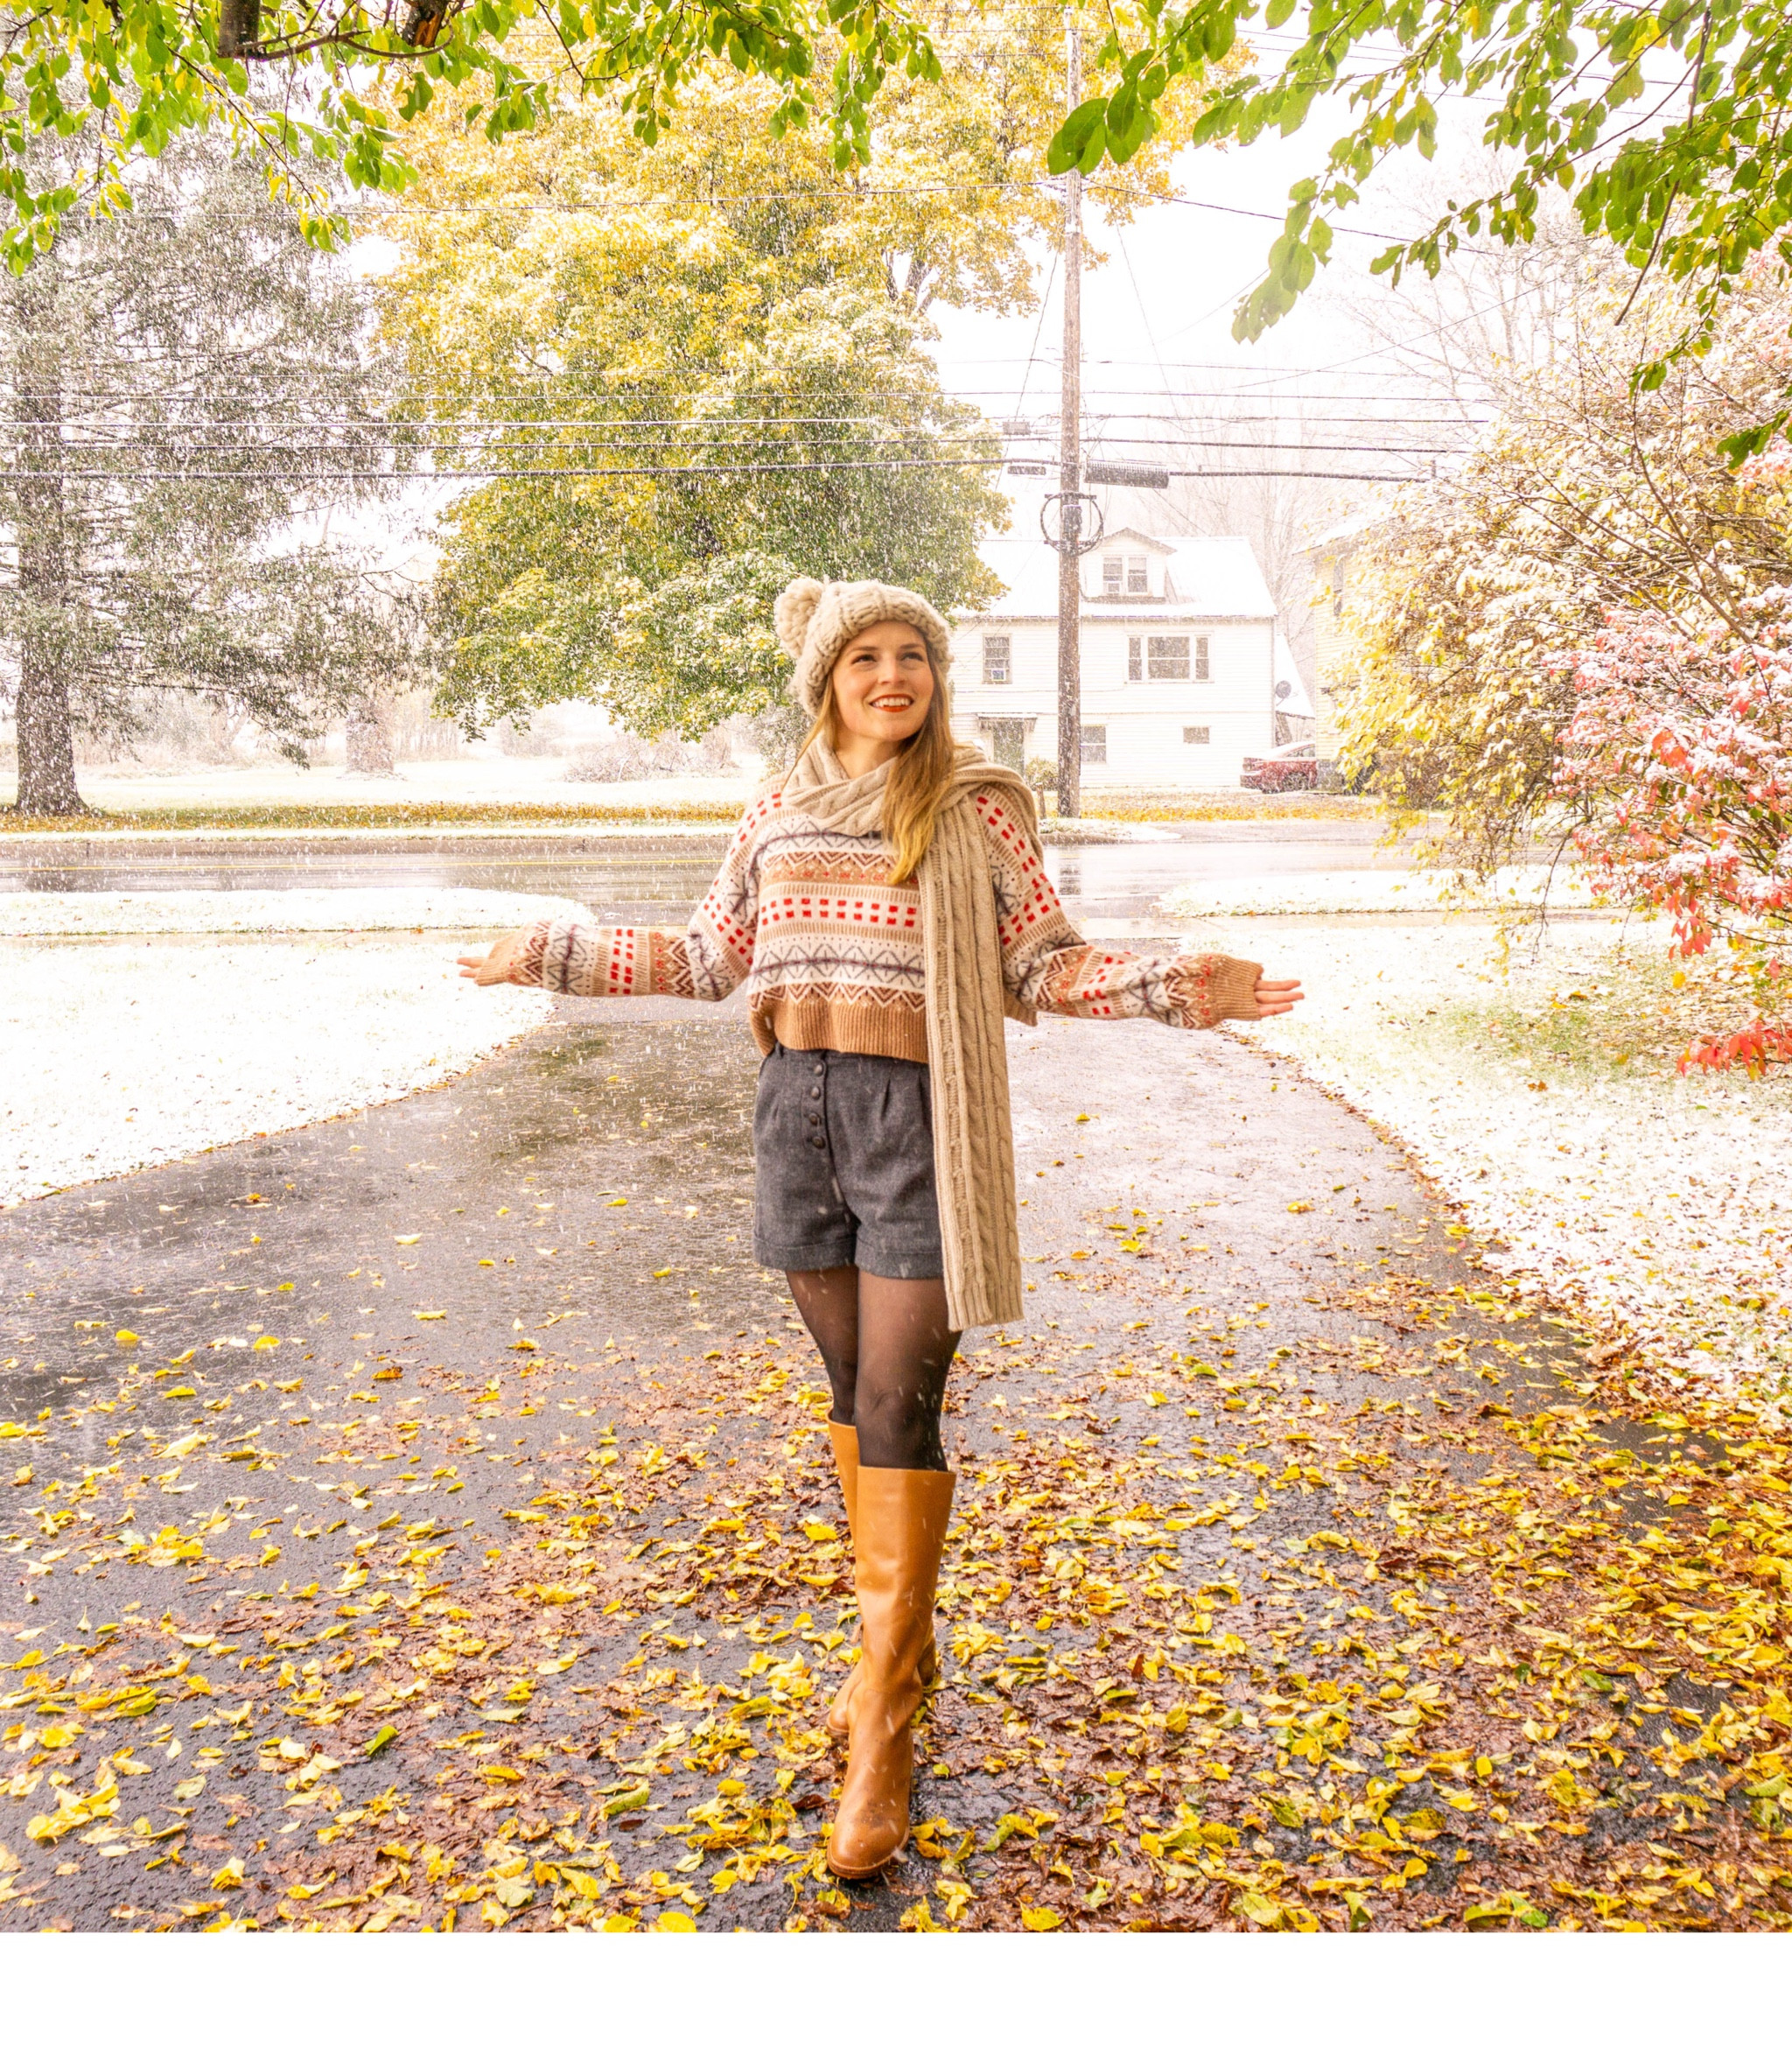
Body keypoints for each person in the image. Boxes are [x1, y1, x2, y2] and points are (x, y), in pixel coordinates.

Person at [458, 576, 1303, 1879]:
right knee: (855, 1401)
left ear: (935, 676)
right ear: (828, 678)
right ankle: (890, 1657)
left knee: (903, 1408)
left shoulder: (971, 808)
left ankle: (885, 1732)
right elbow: (707, 958)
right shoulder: (781, 806)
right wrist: (553, 950)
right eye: (868, 658)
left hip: (922, 1122)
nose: (893, 676)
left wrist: (1184, 983)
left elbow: (1043, 964)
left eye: (914, 655)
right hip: (795, 1112)